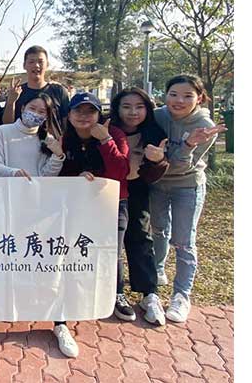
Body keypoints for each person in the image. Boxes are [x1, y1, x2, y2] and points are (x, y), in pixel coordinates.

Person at [57, 92, 129, 358]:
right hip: (77, 206)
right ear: (69, 115)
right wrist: (78, 176)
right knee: (75, 251)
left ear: (99, 114)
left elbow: (121, 171)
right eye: (78, 111)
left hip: (111, 203)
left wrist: (106, 140)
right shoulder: (66, 139)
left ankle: (117, 294)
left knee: (111, 251)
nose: (84, 116)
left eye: (90, 111)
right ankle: (71, 300)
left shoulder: (114, 134)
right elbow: (60, 173)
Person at [150, 75, 227, 323]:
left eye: (187, 96)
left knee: (183, 241)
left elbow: (180, 166)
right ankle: (158, 269)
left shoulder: (204, 126)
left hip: (187, 185)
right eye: (173, 94)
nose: (179, 101)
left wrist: (189, 143)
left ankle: (181, 295)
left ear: (199, 98)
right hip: (158, 183)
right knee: (158, 229)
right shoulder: (157, 116)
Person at [109, 87, 170, 326]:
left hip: (137, 188)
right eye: (126, 107)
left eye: (139, 107)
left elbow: (154, 175)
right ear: (117, 109)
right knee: (110, 243)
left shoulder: (154, 133)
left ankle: (149, 294)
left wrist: (158, 160)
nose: (132, 112)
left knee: (141, 238)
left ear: (147, 109)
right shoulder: (106, 129)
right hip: (108, 190)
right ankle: (115, 292)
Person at [0, 93, 65, 179]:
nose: (35, 113)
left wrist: (57, 156)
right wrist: (13, 173)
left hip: (36, 187)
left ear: (46, 116)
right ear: (23, 108)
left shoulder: (48, 140)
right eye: (32, 108)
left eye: (41, 112)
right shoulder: (2, 131)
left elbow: (47, 176)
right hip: (9, 186)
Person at [2, 45, 70, 125]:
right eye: (31, 62)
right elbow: (7, 124)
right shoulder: (16, 92)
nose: (36, 65)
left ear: (47, 64)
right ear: (24, 65)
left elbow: (66, 123)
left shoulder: (59, 91)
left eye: (40, 62)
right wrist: (11, 102)